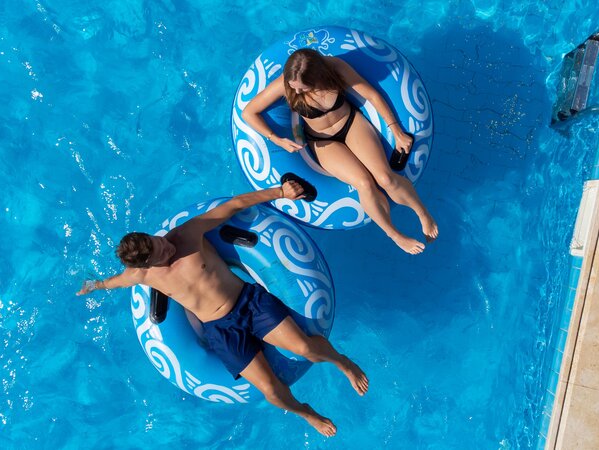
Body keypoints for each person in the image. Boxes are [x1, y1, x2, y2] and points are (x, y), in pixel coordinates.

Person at [76, 180, 368, 437]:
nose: (166, 246)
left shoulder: (186, 235)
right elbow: (113, 282)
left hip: (248, 303)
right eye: (159, 252)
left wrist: (281, 192)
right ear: (146, 265)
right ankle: (307, 413)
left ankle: (343, 363)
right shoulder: (141, 276)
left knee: (305, 348)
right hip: (220, 330)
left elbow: (234, 205)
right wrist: (94, 285)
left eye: (158, 241)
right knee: (271, 391)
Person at [242, 48, 439, 254]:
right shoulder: (287, 83)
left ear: (317, 76)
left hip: (351, 123)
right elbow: (249, 112)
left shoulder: (335, 68)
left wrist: (396, 130)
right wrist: (277, 139)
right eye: (294, 87)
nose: (297, 92)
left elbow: (371, 95)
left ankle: (422, 213)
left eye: (303, 87)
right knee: (364, 183)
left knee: (385, 178)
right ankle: (395, 235)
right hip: (323, 141)